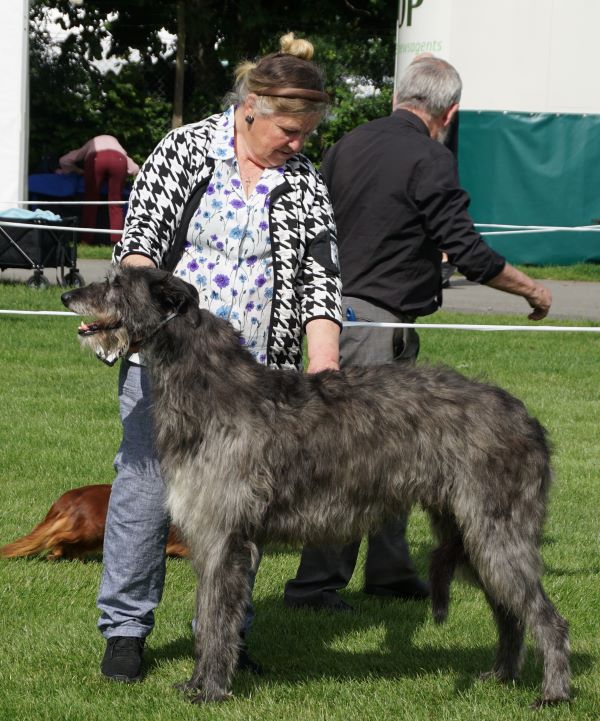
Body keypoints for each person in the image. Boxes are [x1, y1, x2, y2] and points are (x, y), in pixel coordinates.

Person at [98, 33, 342, 683]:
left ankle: (225, 638)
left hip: (258, 374)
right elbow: (140, 245)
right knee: (146, 491)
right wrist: (147, 306)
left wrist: (324, 365)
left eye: (307, 133)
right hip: (172, 366)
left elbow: (321, 280)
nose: (299, 142)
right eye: (290, 129)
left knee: (242, 504)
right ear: (253, 106)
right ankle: (125, 630)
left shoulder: (305, 182)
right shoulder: (185, 151)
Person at [284, 55, 552, 612]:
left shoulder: (347, 144)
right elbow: (469, 251)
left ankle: (389, 570)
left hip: (333, 314)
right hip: (372, 324)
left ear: (397, 98)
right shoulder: (431, 157)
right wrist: (531, 289)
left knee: (398, 454)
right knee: (349, 462)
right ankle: (315, 586)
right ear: (449, 113)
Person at [58, 135, 140, 244]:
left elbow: (64, 160)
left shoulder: (93, 142)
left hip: (96, 159)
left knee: (91, 202)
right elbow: (135, 169)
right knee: (116, 203)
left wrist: (78, 171)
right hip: (119, 160)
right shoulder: (118, 147)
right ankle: (117, 242)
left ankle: (86, 240)